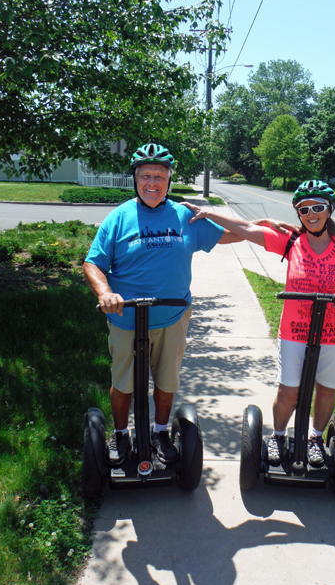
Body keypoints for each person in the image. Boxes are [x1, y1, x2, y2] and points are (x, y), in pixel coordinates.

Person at [184, 180, 335, 468]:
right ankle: (279, 436)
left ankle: (315, 439)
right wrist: (208, 213)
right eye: (304, 209)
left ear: (329, 210)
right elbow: (246, 230)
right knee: (289, 390)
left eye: (318, 207)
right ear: (298, 213)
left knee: (326, 389)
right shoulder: (292, 241)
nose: (311, 214)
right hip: (295, 330)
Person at [83, 143, 245, 466]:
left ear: (170, 179)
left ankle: (160, 432)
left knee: (167, 381)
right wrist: (104, 292)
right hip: (126, 318)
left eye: (160, 176)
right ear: (135, 179)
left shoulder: (185, 216)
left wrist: (259, 229)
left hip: (172, 317)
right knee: (123, 384)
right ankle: (119, 435)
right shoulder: (118, 218)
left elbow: (228, 235)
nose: (153, 183)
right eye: (146, 176)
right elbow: (92, 263)